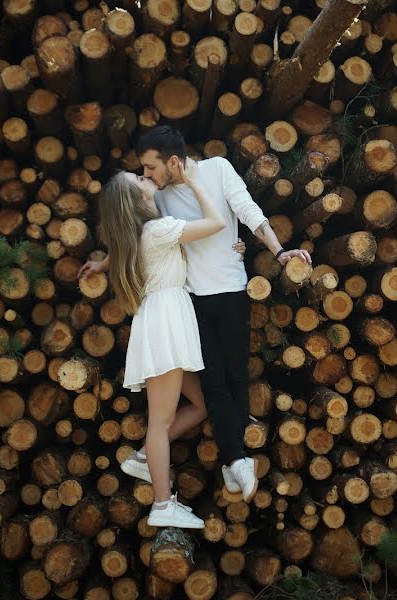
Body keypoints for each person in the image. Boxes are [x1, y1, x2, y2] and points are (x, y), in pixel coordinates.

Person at [81, 126, 312, 503]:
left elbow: (247, 210)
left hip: (232, 288)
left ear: (172, 161)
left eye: (151, 167)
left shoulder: (218, 169)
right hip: (191, 300)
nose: (149, 175)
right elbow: (135, 233)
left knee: (238, 374)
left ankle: (232, 460)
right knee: (214, 382)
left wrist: (278, 250)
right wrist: (104, 262)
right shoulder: (160, 198)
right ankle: (236, 458)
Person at [93, 161, 227, 529]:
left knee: (201, 405)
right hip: (165, 321)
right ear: (135, 198)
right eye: (138, 179)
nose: (145, 176)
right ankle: (163, 504)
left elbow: (114, 255)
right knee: (161, 421)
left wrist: (98, 266)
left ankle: (142, 458)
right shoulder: (156, 230)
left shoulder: (138, 235)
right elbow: (215, 222)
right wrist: (195, 182)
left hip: (164, 318)